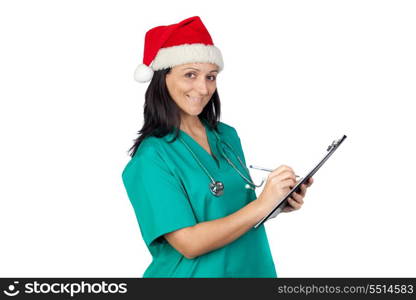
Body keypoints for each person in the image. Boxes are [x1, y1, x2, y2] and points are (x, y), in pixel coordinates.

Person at [121, 16, 314, 278]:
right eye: (190, 74)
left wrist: (276, 204)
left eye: (211, 76)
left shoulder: (226, 136)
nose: (203, 88)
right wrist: (261, 204)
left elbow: (233, 214)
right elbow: (189, 243)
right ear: (162, 78)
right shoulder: (151, 159)